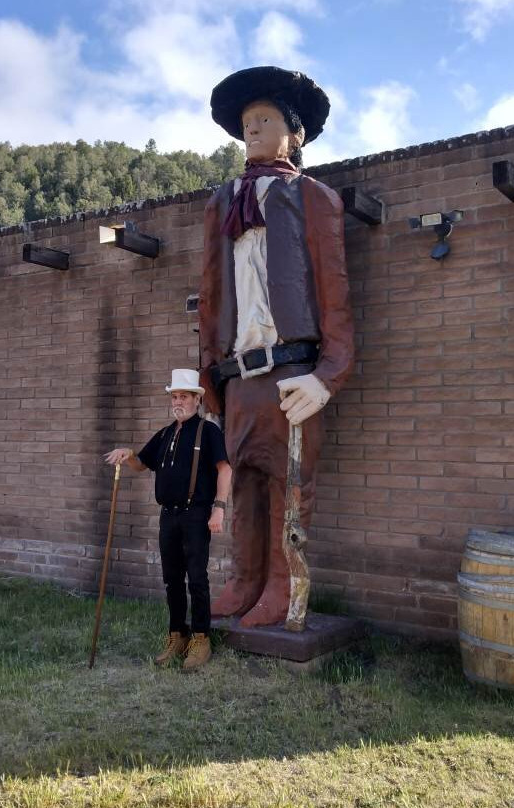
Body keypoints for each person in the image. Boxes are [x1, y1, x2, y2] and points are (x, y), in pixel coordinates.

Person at [198, 66, 354, 628]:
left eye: (264, 120)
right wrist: (210, 376)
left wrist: (327, 375)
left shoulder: (313, 199)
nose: (253, 131)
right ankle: (243, 580)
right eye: (246, 124)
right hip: (238, 376)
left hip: (293, 374)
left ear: (297, 134)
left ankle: (283, 590)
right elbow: (211, 293)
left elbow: (334, 294)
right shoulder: (222, 204)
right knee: (243, 483)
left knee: (288, 490)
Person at [104, 368, 231, 671]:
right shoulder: (164, 434)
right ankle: (178, 635)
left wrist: (219, 507)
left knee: (197, 579)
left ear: (196, 400)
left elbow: (225, 469)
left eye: (183, 396)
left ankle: (201, 638)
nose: (178, 401)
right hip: (168, 516)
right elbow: (141, 464)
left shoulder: (208, 431)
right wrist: (128, 453)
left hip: (196, 515)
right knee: (172, 580)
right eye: (174, 396)